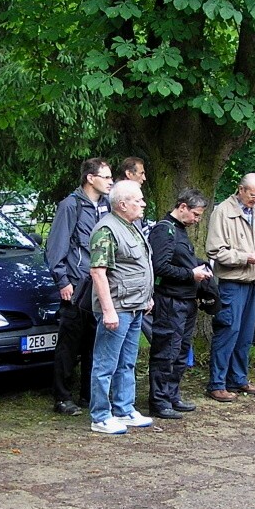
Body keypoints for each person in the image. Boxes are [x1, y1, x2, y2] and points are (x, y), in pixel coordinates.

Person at [45, 158, 113, 415]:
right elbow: (56, 246)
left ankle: (89, 394)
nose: (110, 181)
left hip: (100, 285)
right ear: (90, 178)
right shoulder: (70, 205)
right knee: (69, 344)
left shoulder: (106, 206)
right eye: (105, 177)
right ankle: (62, 397)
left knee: (95, 343)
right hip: (76, 285)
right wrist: (62, 280)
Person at [205, 173, 255, 402]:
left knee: (246, 334)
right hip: (232, 283)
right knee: (228, 331)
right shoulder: (222, 212)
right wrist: (244, 257)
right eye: (253, 195)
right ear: (241, 189)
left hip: (254, 282)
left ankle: (238, 378)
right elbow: (215, 251)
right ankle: (217, 383)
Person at [88, 180, 155, 434]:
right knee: (105, 364)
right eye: (138, 200)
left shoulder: (131, 226)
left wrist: (146, 297)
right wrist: (108, 310)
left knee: (127, 362)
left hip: (135, 305)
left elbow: (137, 266)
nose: (143, 204)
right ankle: (100, 416)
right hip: (118, 307)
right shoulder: (106, 230)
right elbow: (98, 272)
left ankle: (124, 409)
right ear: (123, 204)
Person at [147, 189, 212, 420]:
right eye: (195, 214)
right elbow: (159, 267)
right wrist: (190, 273)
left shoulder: (180, 231)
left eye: (199, 216)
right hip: (170, 301)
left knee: (182, 351)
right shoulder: (164, 230)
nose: (197, 220)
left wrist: (200, 266)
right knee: (167, 351)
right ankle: (159, 400)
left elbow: (181, 260)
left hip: (186, 301)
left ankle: (172, 394)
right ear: (182, 207)